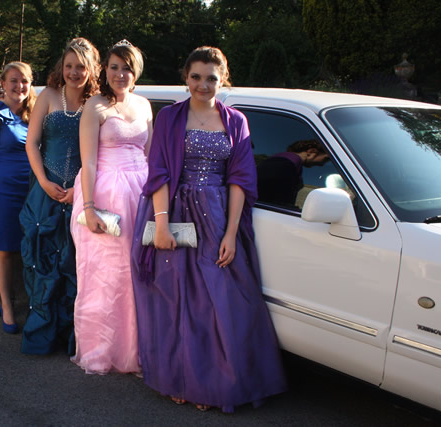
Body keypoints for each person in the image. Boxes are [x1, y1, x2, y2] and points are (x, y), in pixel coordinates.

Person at [131, 47, 287, 412]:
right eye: (196, 77)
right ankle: (179, 380)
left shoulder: (236, 121)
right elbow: (159, 173)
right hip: (174, 212)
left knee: (220, 303)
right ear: (186, 77)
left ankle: (212, 384)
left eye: (211, 78)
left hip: (216, 216)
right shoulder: (170, 117)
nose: (203, 84)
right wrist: (163, 224)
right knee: (174, 302)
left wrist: (231, 233)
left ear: (223, 79)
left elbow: (240, 180)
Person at [70, 40, 152, 374]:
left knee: (139, 272)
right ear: (105, 70)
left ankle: (138, 349)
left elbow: (151, 154)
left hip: (141, 192)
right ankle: (103, 349)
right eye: (114, 66)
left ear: (136, 72)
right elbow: (87, 162)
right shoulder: (96, 106)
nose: (120, 73)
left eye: (127, 67)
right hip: (105, 195)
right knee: (106, 275)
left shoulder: (145, 105)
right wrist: (89, 209)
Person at [19, 38, 100, 355]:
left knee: (74, 266)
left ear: (91, 69)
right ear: (61, 67)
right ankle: (41, 335)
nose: (74, 72)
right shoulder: (49, 96)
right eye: (69, 66)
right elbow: (32, 143)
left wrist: (79, 191)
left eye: (81, 67)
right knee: (42, 263)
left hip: (80, 195)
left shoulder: (96, 102)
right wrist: (44, 182)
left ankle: (71, 336)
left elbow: (98, 155)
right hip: (45, 192)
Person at [0, 62, 36, 333]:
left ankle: (34, 300)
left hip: (32, 189)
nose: (19, 86)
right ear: (3, 82)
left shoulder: (35, 112)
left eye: (24, 80)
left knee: (29, 246)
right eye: (13, 80)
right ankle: (7, 305)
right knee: (3, 248)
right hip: (1, 190)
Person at [257, 139, 330, 207]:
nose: (322, 164)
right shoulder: (287, 164)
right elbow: (276, 198)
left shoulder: (281, 161)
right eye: (325, 159)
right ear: (311, 152)